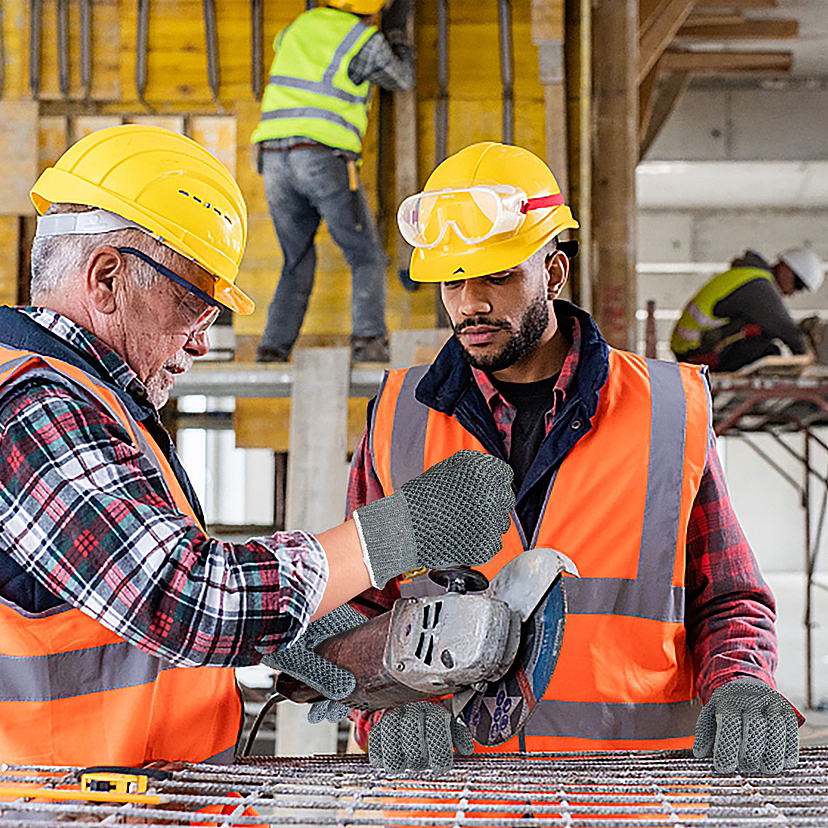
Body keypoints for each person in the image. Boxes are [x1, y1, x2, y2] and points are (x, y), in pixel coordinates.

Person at [0, 125, 516, 767]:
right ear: (107, 278)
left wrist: (314, 642)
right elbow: (183, 599)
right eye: (196, 303)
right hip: (60, 806)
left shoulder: (89, 400)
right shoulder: (31, 404)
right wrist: (394, 534)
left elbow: (125, 600)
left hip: (131, 798)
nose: (199, 342)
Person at [329, 141, 800, 775]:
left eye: (496, 275)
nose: (470, 303)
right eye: (453, 279)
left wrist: (743, 683)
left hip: (639, 791)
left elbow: (728, 596)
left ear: (553, 272)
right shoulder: (398, 420)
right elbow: (355, 612)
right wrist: (383, 711)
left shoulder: (668, 410)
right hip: (460, 794)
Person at [250, 0, 414, 364]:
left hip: (273, 157)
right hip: (323, 155)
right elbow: (402, 78)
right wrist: (399, 30)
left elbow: (287, 51)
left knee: (295, 259)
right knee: (366, 255)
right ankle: (369, 342)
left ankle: (272, 349)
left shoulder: (300, 25)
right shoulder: (361, 38)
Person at [671, 248, 824, 372]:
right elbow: (787, 330)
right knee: (766, 348)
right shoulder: (758, 286)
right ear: (785, 267)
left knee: (764, 339)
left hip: (694, 348)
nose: (793, 292)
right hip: (696, 353)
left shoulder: (748, 276)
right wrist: (808, 361)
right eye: (797, 284)